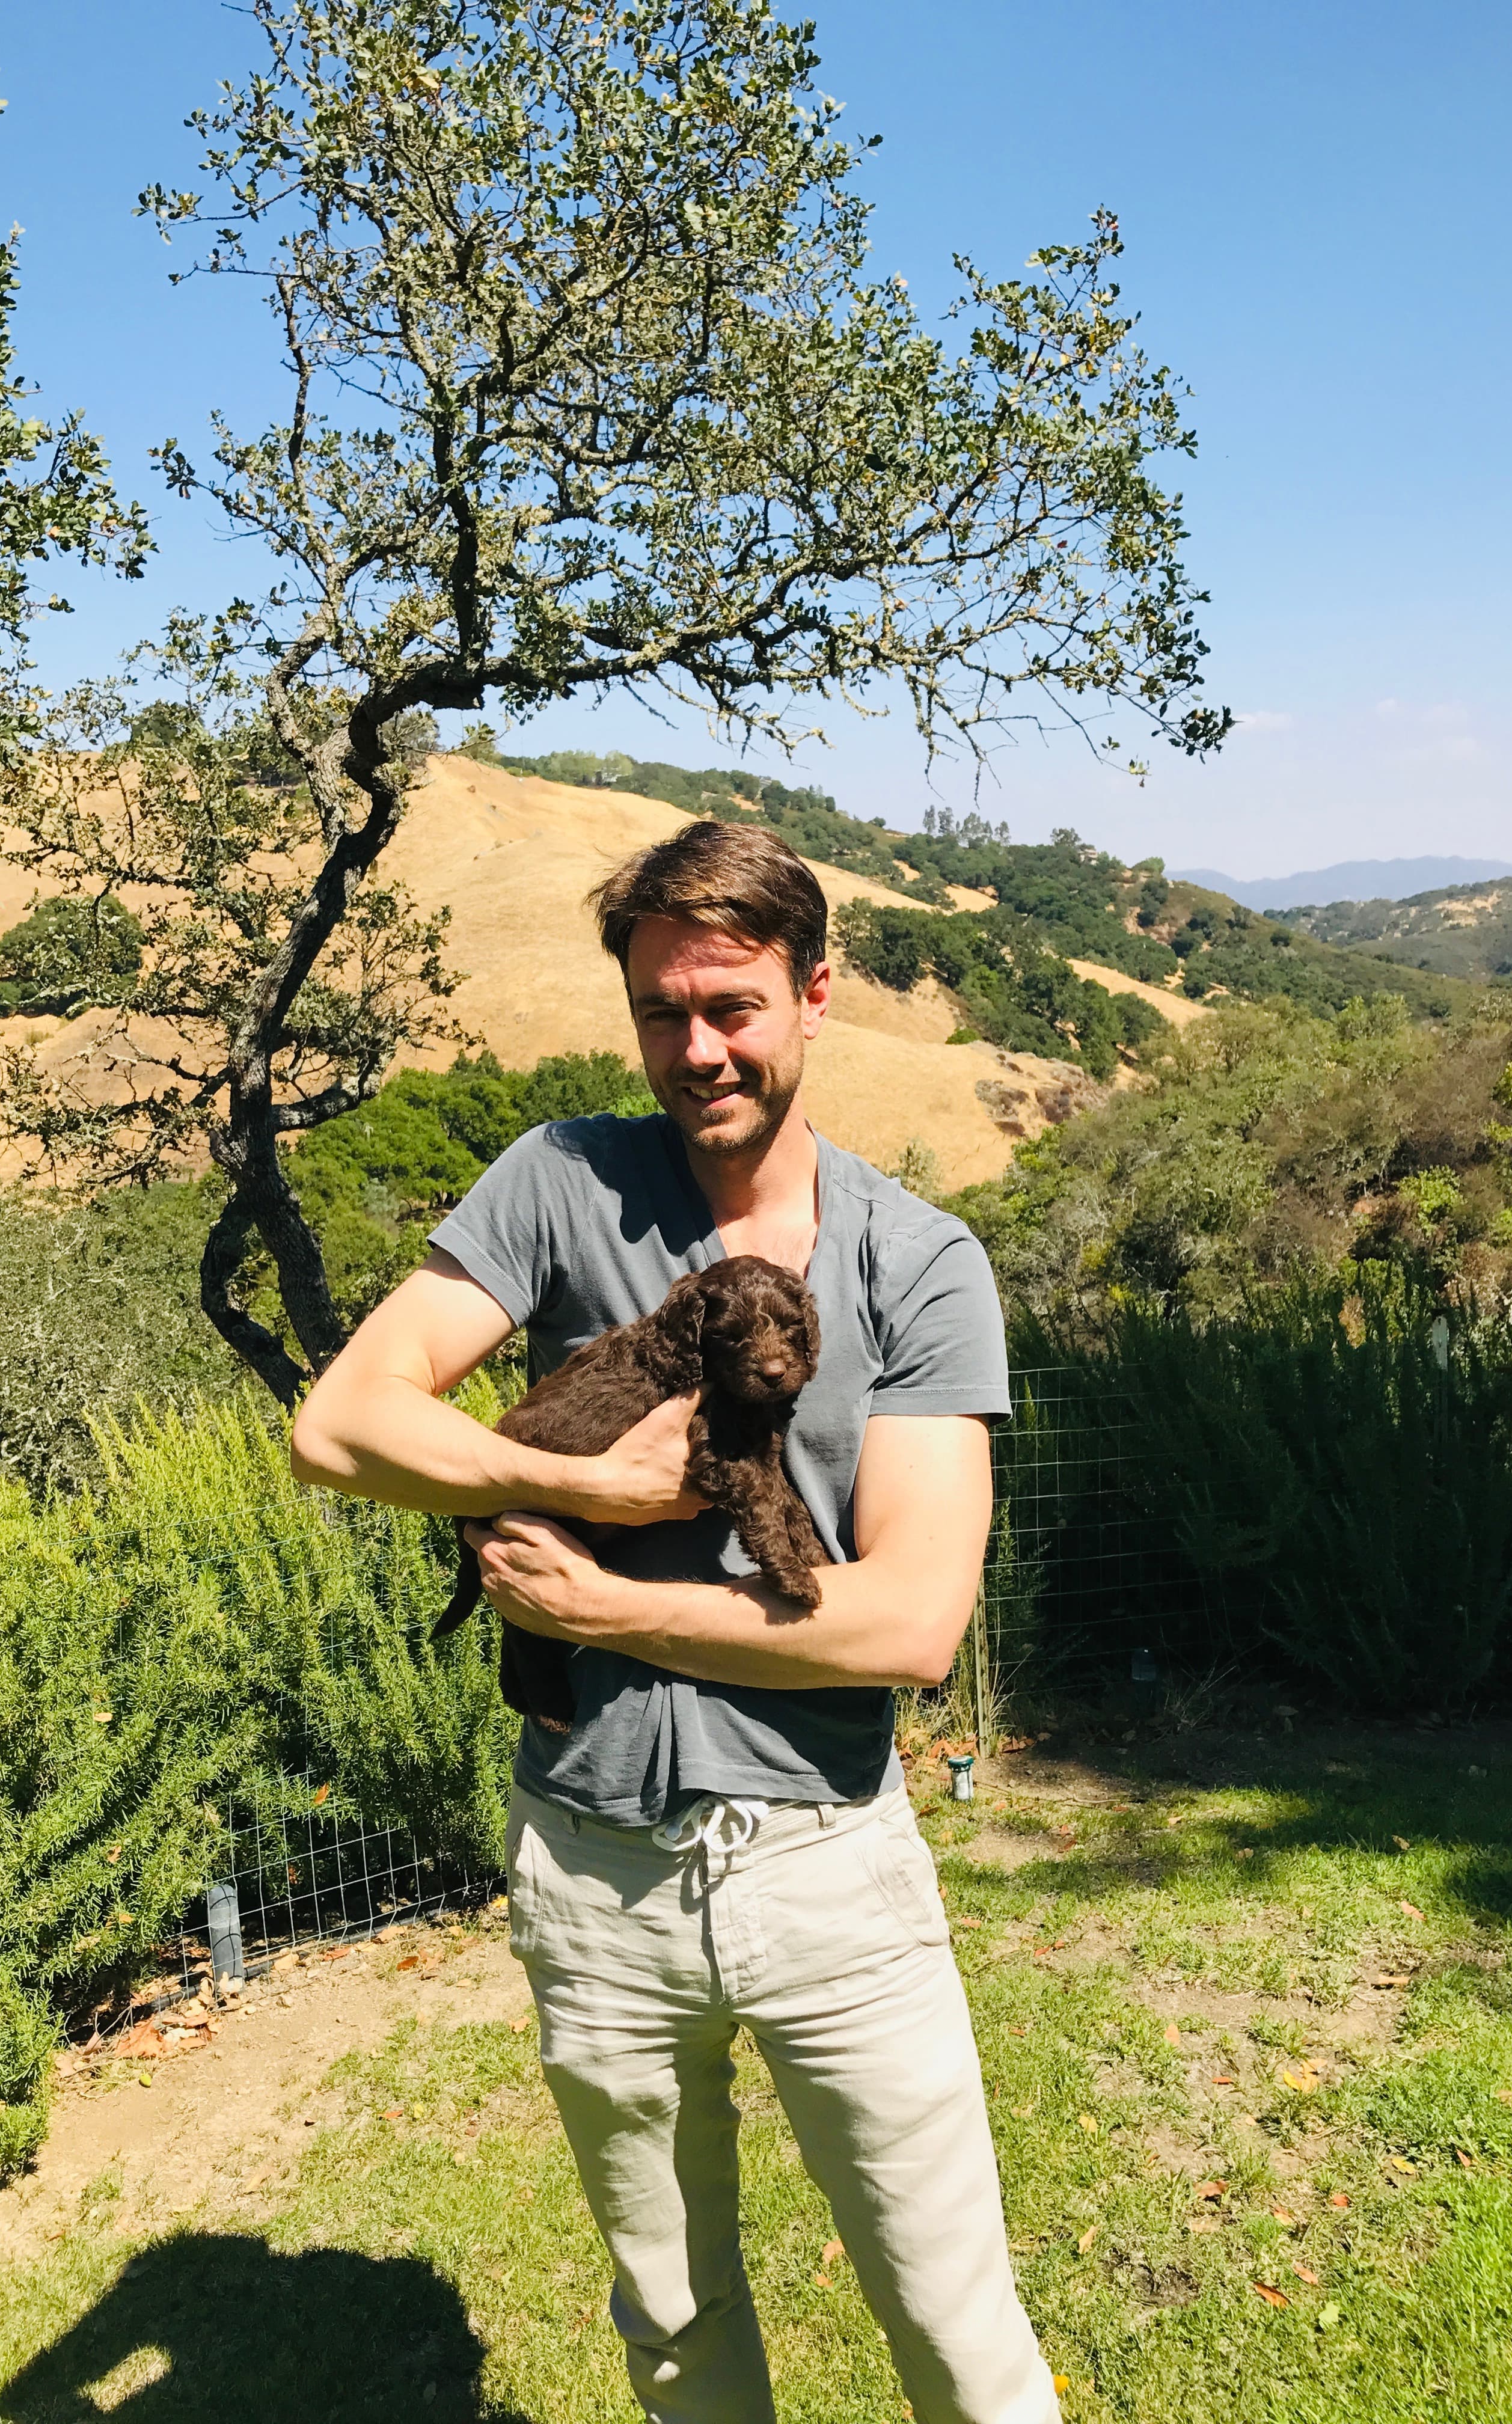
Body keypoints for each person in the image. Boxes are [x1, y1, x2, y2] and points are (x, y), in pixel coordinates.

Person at [291, 821, 1060, 2424]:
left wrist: (606, 1604)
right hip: (596, 1873)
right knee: (674, 2328)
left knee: (954, 2325)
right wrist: (587, 1485)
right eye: (661, 1011)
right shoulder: (559, 1182)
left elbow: (912, 1624)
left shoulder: (920, 1263)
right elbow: (342, 1423)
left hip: (829, 1865)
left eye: (731, 1007)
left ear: (814, 996)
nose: (697, 1049)